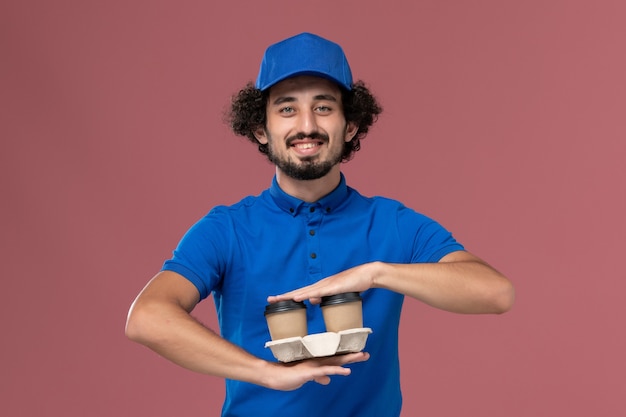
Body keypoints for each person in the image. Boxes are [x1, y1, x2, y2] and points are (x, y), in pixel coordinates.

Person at [125, 32, 515, 417]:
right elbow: (146, 318)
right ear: (261, 129)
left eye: (324, 108)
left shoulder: (392, 223)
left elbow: (495, 293)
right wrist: (266, 373)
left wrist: (376, 274)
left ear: (350, 126)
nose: (307, 125)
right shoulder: (226, 229)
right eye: (287, 108)